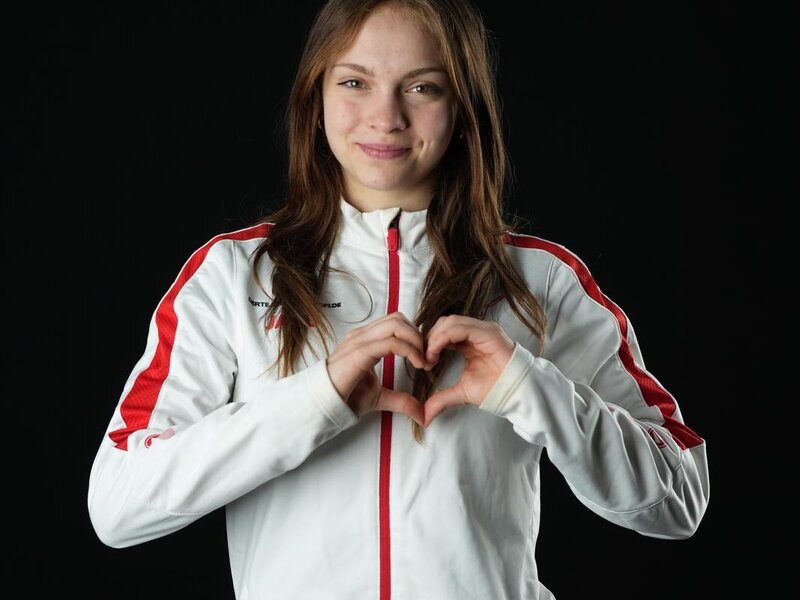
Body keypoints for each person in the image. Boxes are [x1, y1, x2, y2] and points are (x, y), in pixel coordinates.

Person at [87, 0, 710, 598]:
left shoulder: (540, 279)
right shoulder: (234, 274)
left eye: (422, 87)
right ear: (315, 96)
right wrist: (315, 402)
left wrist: (530, 389)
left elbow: (679, 497)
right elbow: (117, 504)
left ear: (462, 106)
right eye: (355, 82)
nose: (385, 117)